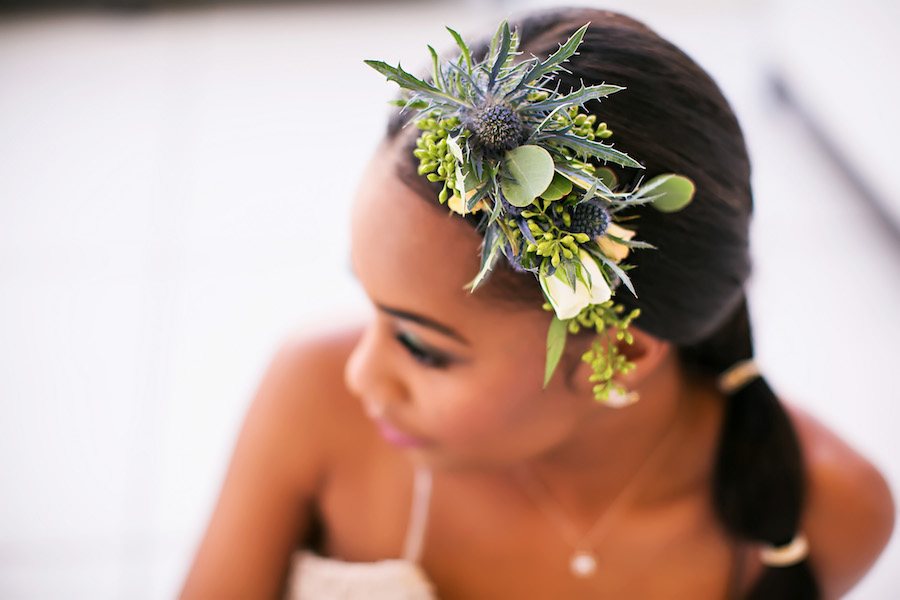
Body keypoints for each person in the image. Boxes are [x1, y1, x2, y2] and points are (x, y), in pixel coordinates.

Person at [179, 8, 894, 599]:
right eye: (372, 307)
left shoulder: (832, 509)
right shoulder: (312, 401)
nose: (361, 375)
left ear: (619, 352)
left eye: (421, 347)